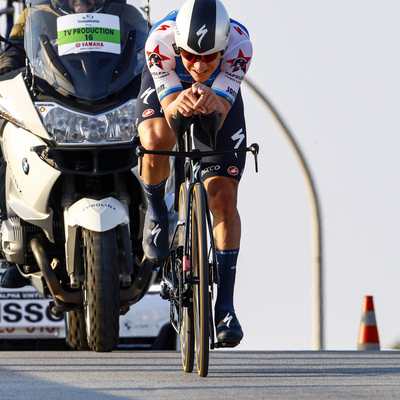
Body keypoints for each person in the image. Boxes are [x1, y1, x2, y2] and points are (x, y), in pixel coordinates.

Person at [0, 0, 147, 288]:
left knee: (169, 132)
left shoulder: (127, 16)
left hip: (115, 105)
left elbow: (148, 53)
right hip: (57, 104)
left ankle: (171, 229)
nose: (83, 1)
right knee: (5, 135)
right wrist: (7, 74)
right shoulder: (36, 15)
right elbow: (14, 52)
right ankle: (9, 247)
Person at [136, 0, 252, 346]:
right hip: (167, 83)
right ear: (179, 46)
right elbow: (171, 111)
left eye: (208, 57)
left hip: (219, 93)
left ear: (223, 48)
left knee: (223, 195)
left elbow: (221, 107)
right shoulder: (159, 42)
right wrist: (178, 102)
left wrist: (211, 99)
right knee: (157, 140)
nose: (199, 65)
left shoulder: (240, 44)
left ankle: (226, 306)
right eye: (191, 56)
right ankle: (157, 213)